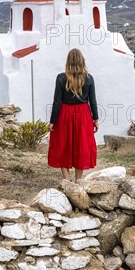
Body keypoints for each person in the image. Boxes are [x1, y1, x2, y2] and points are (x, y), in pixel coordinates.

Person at [48, 48, 99, 182]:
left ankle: (66, 178)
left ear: (68, 62)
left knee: (62, 144)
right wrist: (96, 119)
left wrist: (52, 121)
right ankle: (78, 180)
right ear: (82, 61)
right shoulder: (89, 78)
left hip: (65, 113)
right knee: (81, 145)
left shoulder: (61, 77)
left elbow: (57, 102)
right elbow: (92, 101)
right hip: (83, 114)